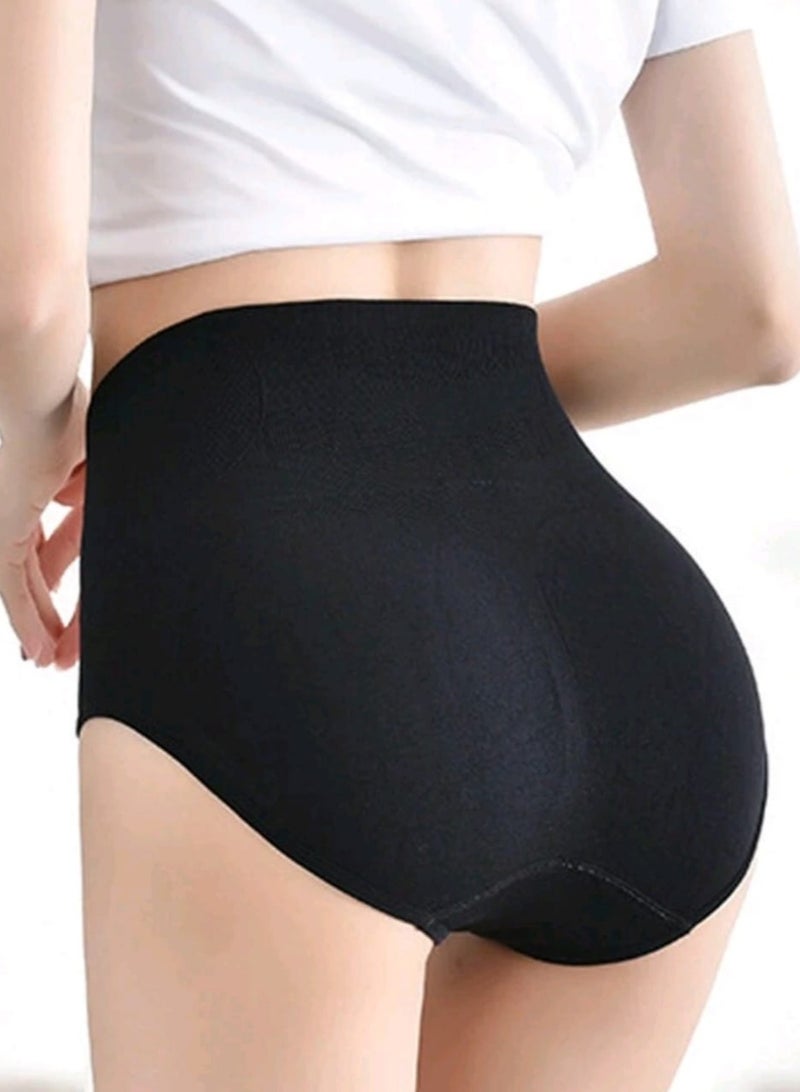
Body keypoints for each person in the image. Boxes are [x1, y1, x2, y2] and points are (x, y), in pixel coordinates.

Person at [0, 1, 797, 1088]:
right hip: (637, 659)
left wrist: (54, 465)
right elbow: (749, 309)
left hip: (283, 626)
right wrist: (398, 422)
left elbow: (28, 306)